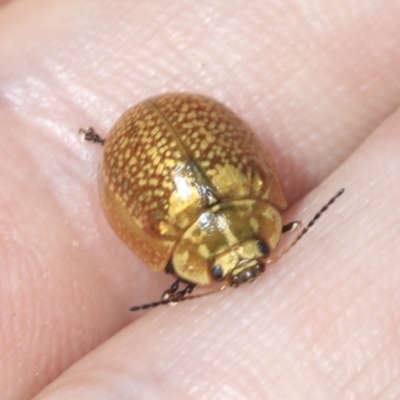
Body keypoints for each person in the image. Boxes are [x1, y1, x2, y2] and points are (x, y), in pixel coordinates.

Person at [1, 1, 400, 399]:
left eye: (225, 268)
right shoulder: (243, 200)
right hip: (146, 138)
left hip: (158, 134)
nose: (245, 270)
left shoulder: (247, 197)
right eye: (259, 248)